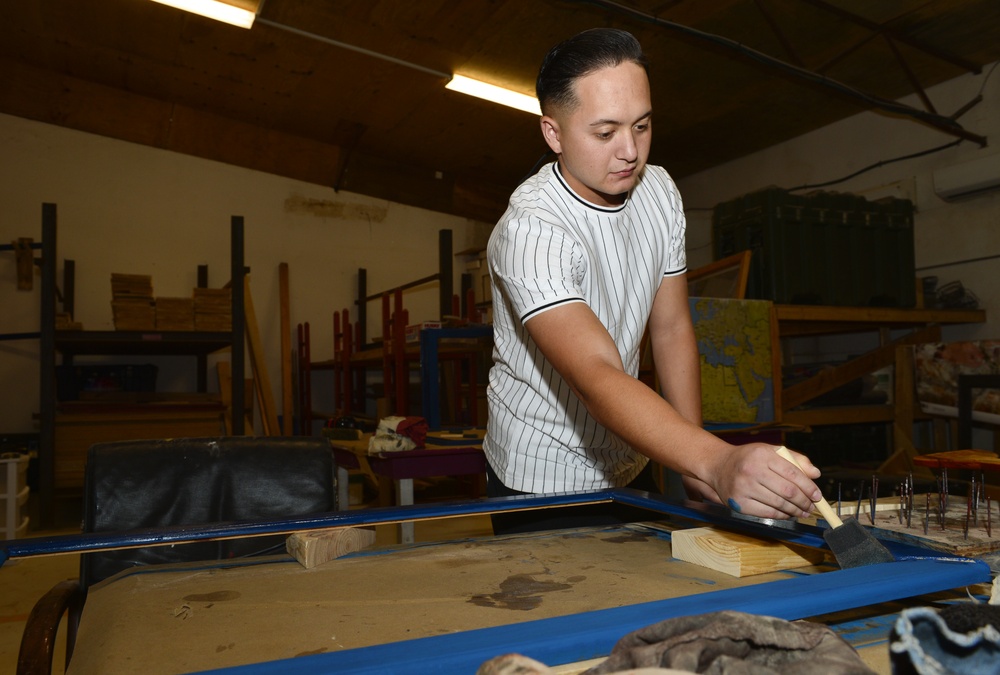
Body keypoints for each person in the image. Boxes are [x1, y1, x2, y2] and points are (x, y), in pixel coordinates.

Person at [484, 27, 822, 534]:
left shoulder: (659, 192)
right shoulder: (530, 230)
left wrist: (695, 466)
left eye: (641, 126)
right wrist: (716, 461)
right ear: (553, 134)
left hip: (632, 451)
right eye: (605, 133)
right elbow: (595, 375)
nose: (629, 151)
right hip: (540, 474)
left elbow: (670, 329)